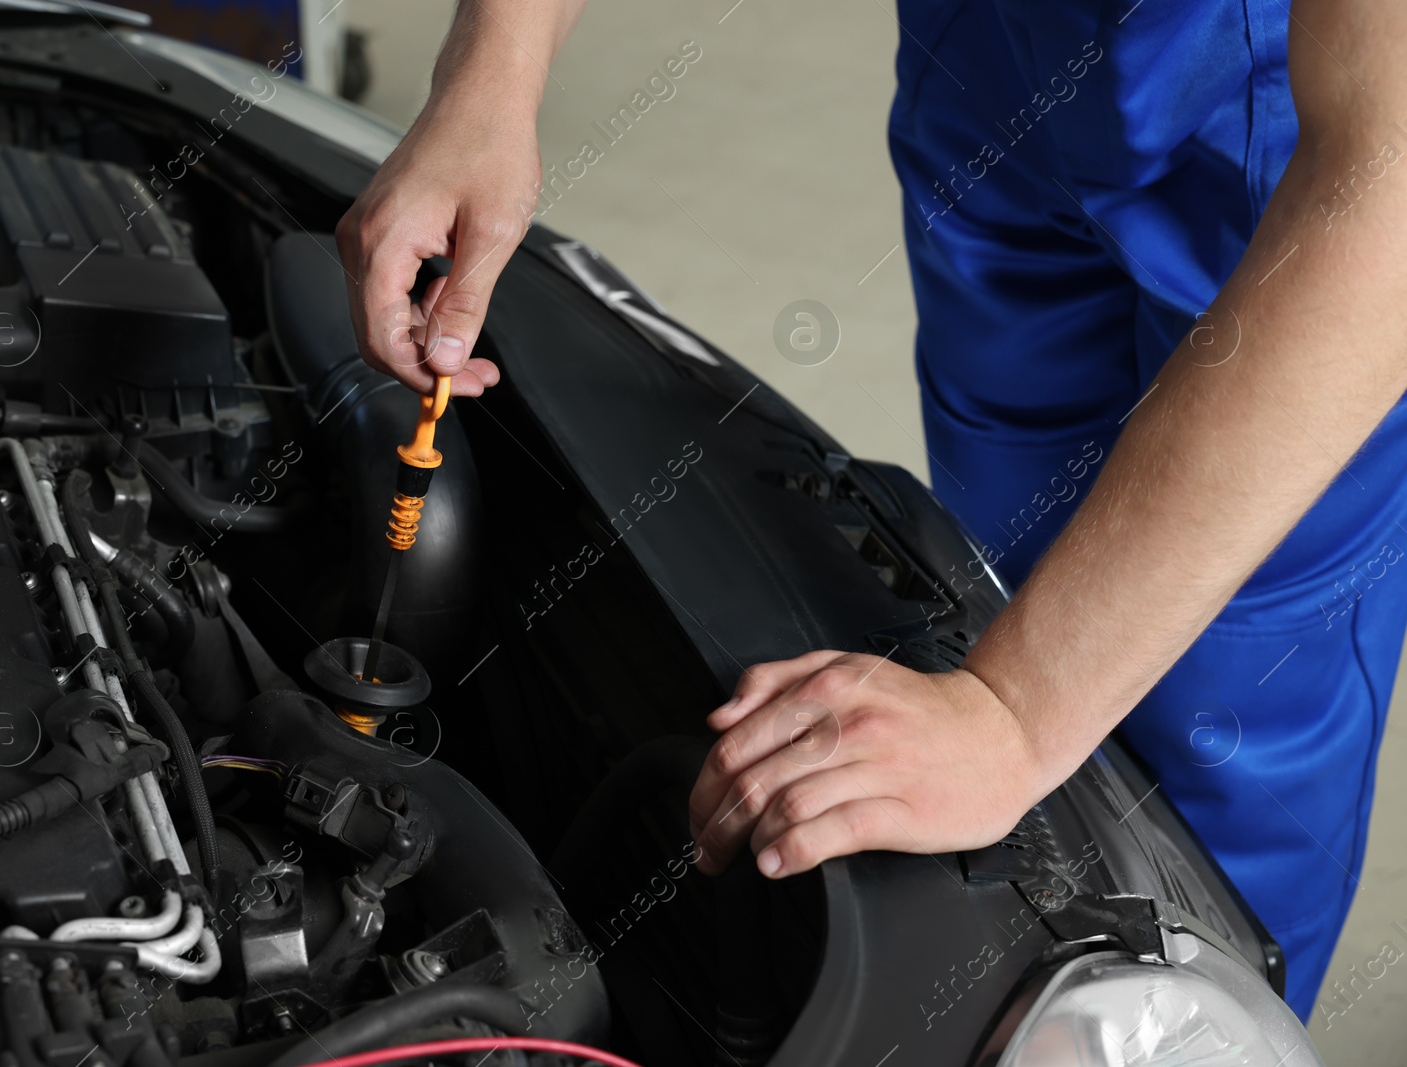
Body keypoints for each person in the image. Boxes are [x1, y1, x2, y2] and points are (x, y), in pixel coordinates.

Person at [335, 0, 1407, 1021]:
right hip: (993, 77)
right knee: (984, 579)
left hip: (1288, 156)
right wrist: (491, 81)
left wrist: (1015, 709)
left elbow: (1386, 184)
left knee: (1216, 751)